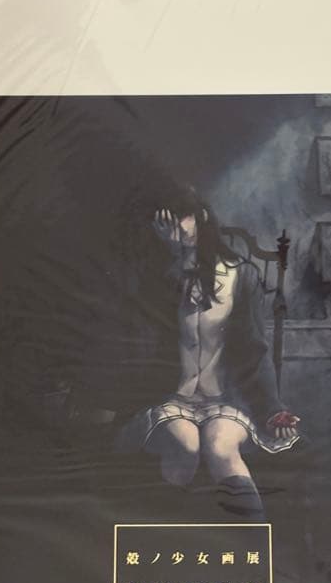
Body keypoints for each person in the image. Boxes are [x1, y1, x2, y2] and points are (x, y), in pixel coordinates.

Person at [112, 186, 301, 520]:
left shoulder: (241, 275)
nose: (172, 229)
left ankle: (254, 538)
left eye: (178, 219)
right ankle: (163, 536)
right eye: (162, 223)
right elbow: (144, 336)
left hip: (226, 399)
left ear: (200, 217)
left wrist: (273, 409)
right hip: (170, 397)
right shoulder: (155, 276)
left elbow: (254, 351)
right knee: (185, 444)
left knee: (220, 446)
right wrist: (174, 257)